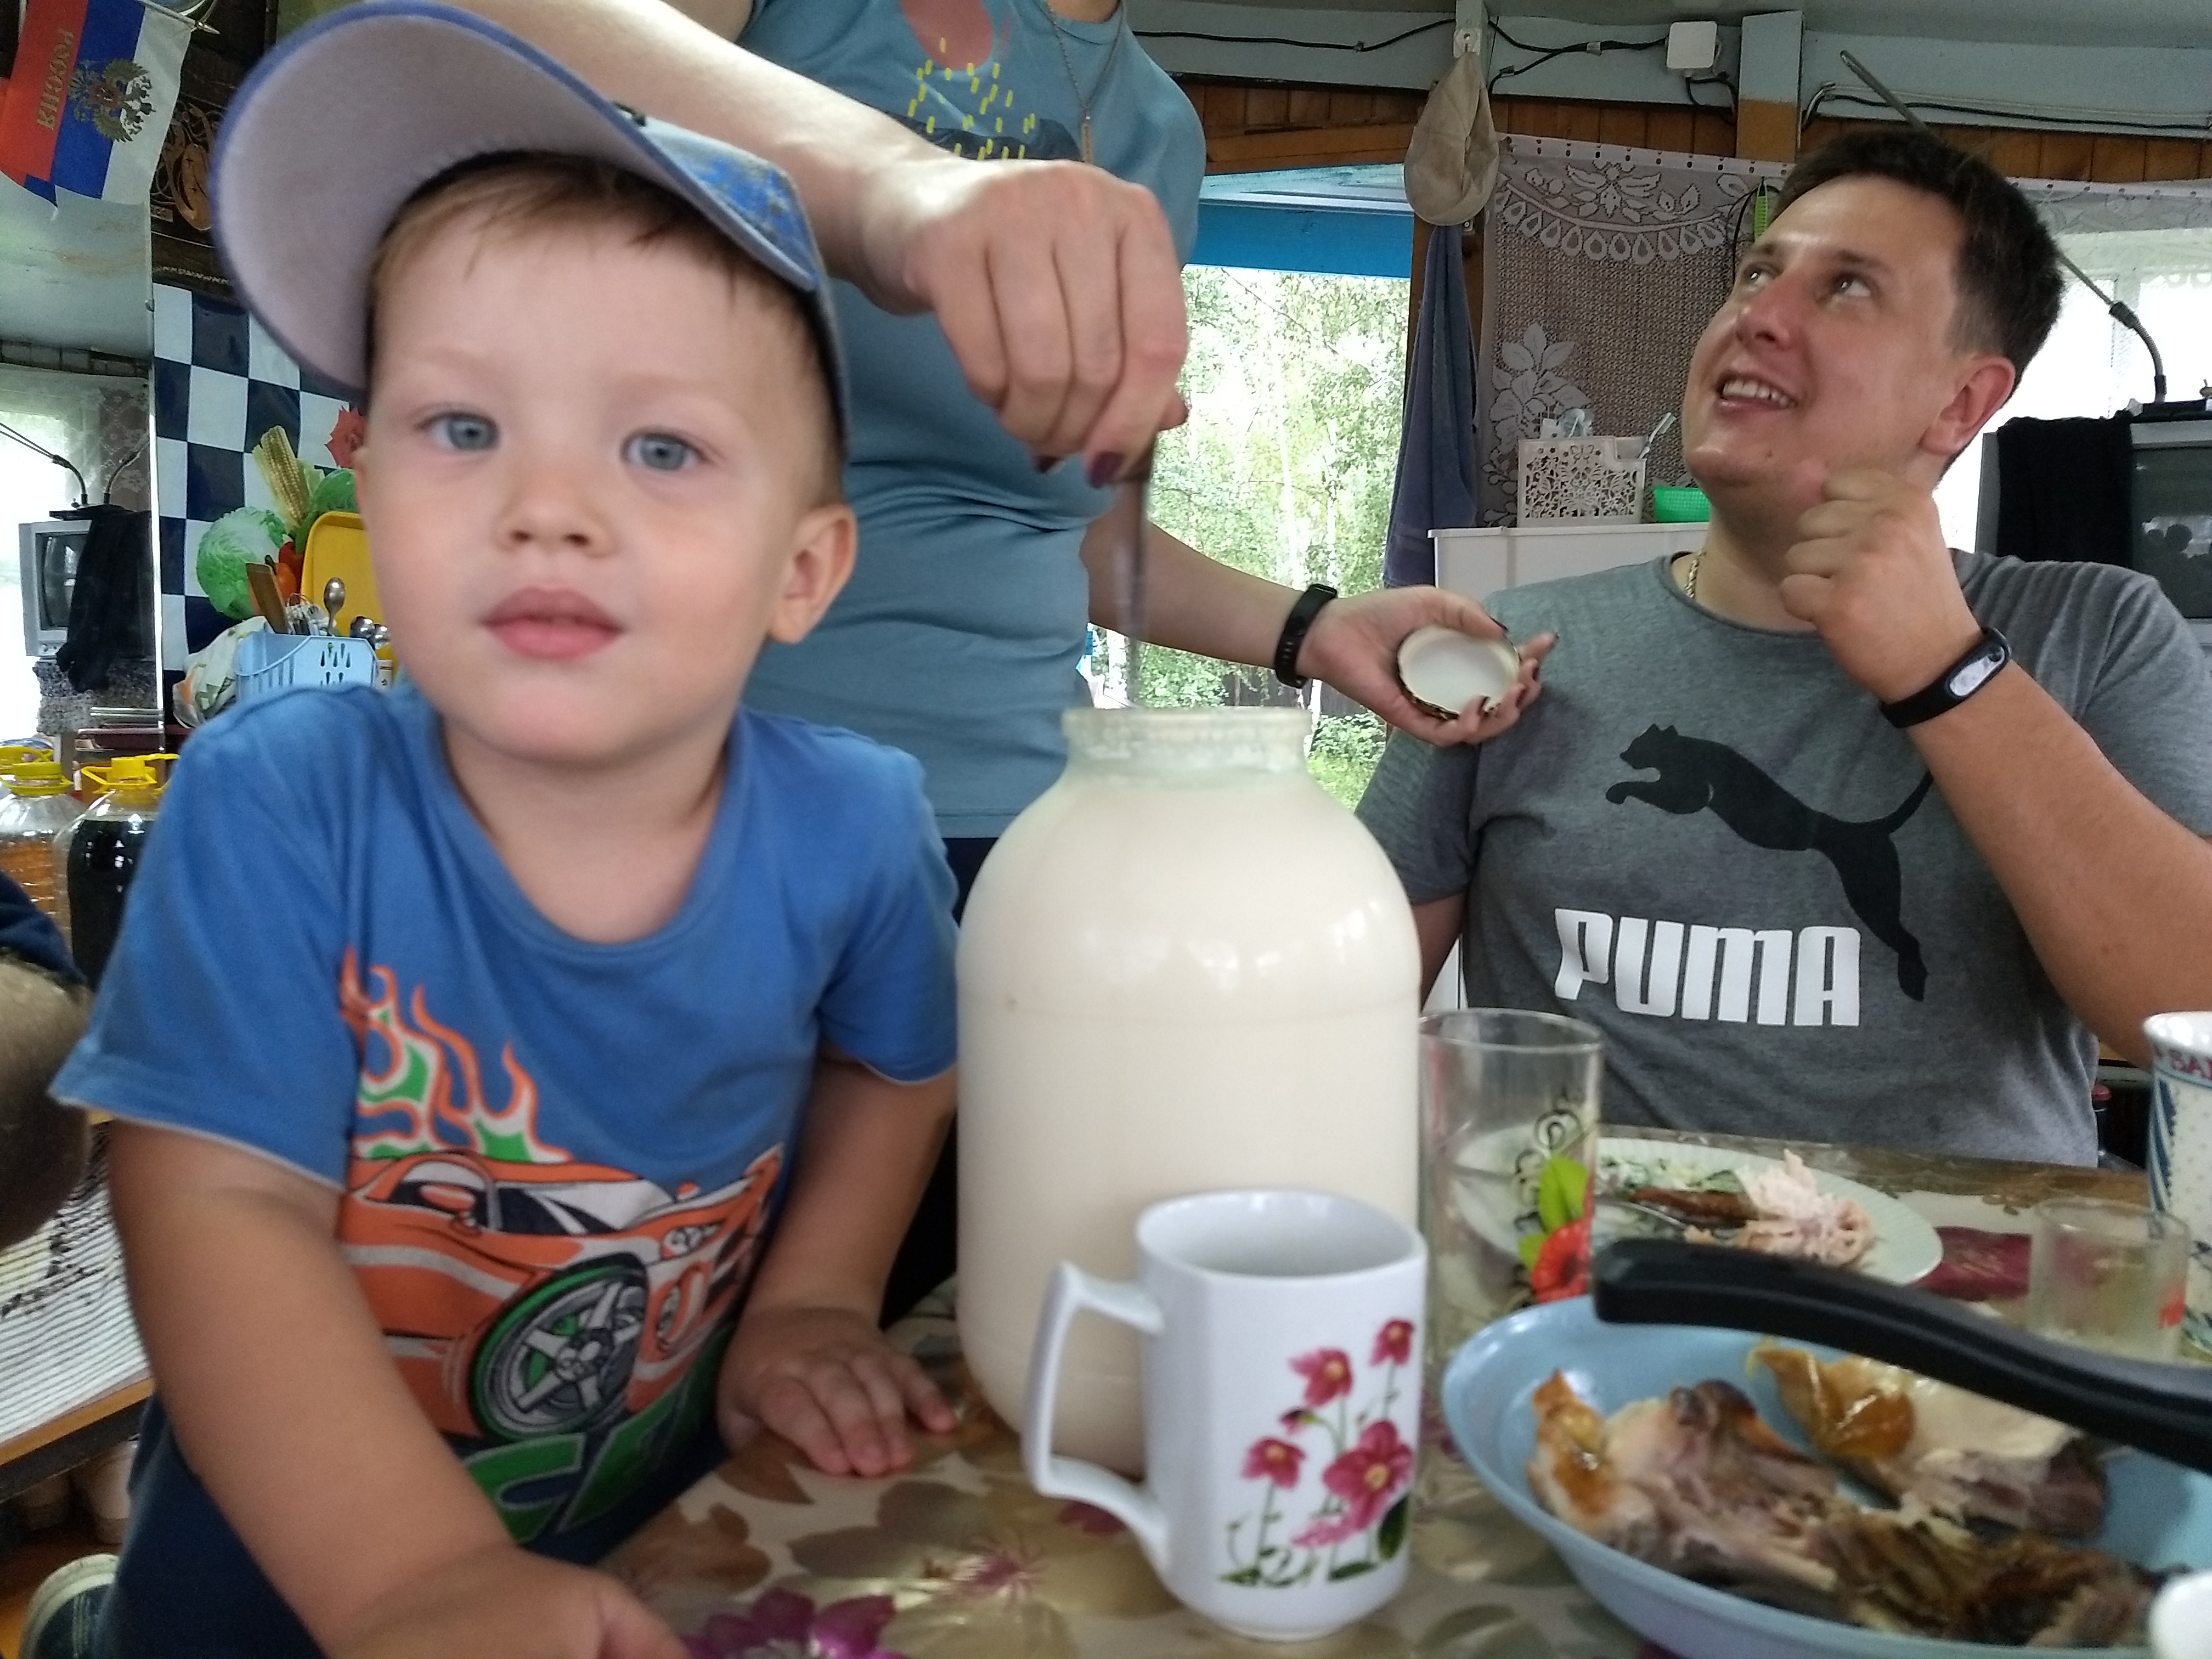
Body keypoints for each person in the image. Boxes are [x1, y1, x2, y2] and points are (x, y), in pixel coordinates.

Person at [35, 9, 964, 1657]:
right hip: (258, 1611)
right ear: (365, 476)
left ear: (806, 570)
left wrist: (817, 1295)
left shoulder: (855, 829)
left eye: (662, 446)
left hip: (645, 1562)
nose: (548, 501)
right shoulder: (278, 798)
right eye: (465, 428)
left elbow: (896, 1062)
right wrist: (411, 1576)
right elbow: (213, 1205)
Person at [710, 0, 1549, 1314]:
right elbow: (517, 58)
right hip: (716, 812)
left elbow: (1086, 539)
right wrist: (889, 187)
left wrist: (1313, 630)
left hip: (1012, 850)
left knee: (924, 1345)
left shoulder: (1157, 127)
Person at [1358, 128, 2212, 1167]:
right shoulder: (1516, 644)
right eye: (1758, 273)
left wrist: (1948, 670)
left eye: (1847, 288)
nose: (1757, 315)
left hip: (1954, 1309)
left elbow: (2187, 1009)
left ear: (1963, 403)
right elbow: (1339, 1016)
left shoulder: (2100, 633)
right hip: (1578, 1299)